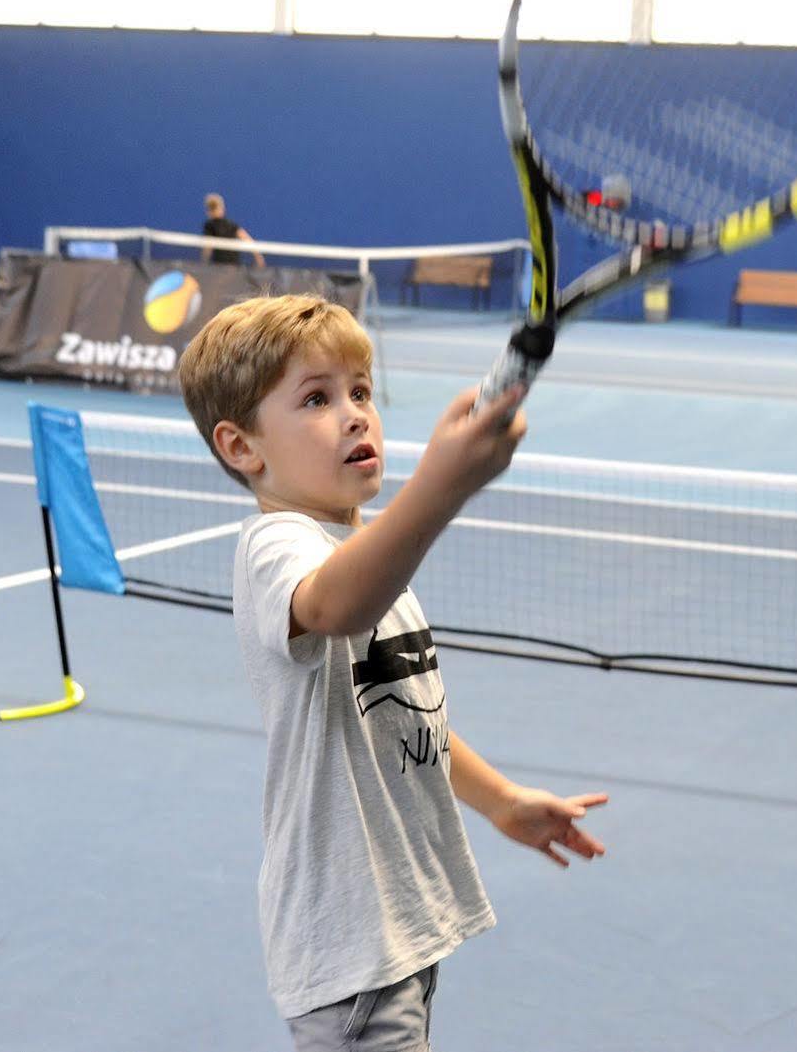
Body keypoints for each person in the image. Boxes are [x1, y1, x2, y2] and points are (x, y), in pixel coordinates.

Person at [176, 294, 607, 1048]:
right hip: (350, 950)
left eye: (361, 391)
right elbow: (335, 605)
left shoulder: (358, 551)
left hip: (396, 930)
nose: (353, 414)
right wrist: (441, 486)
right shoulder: (277, 547)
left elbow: (405, 712)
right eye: (316, 397)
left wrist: (500, 798)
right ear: (243, 447)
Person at [201, 192, 259, 266]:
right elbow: (248, 240)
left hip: (221, 268)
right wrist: (258, 257)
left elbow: (208, 247)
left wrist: (204, 262)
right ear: (222, 208)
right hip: (232, 267)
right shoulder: (230, 225)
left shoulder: (209, 226)